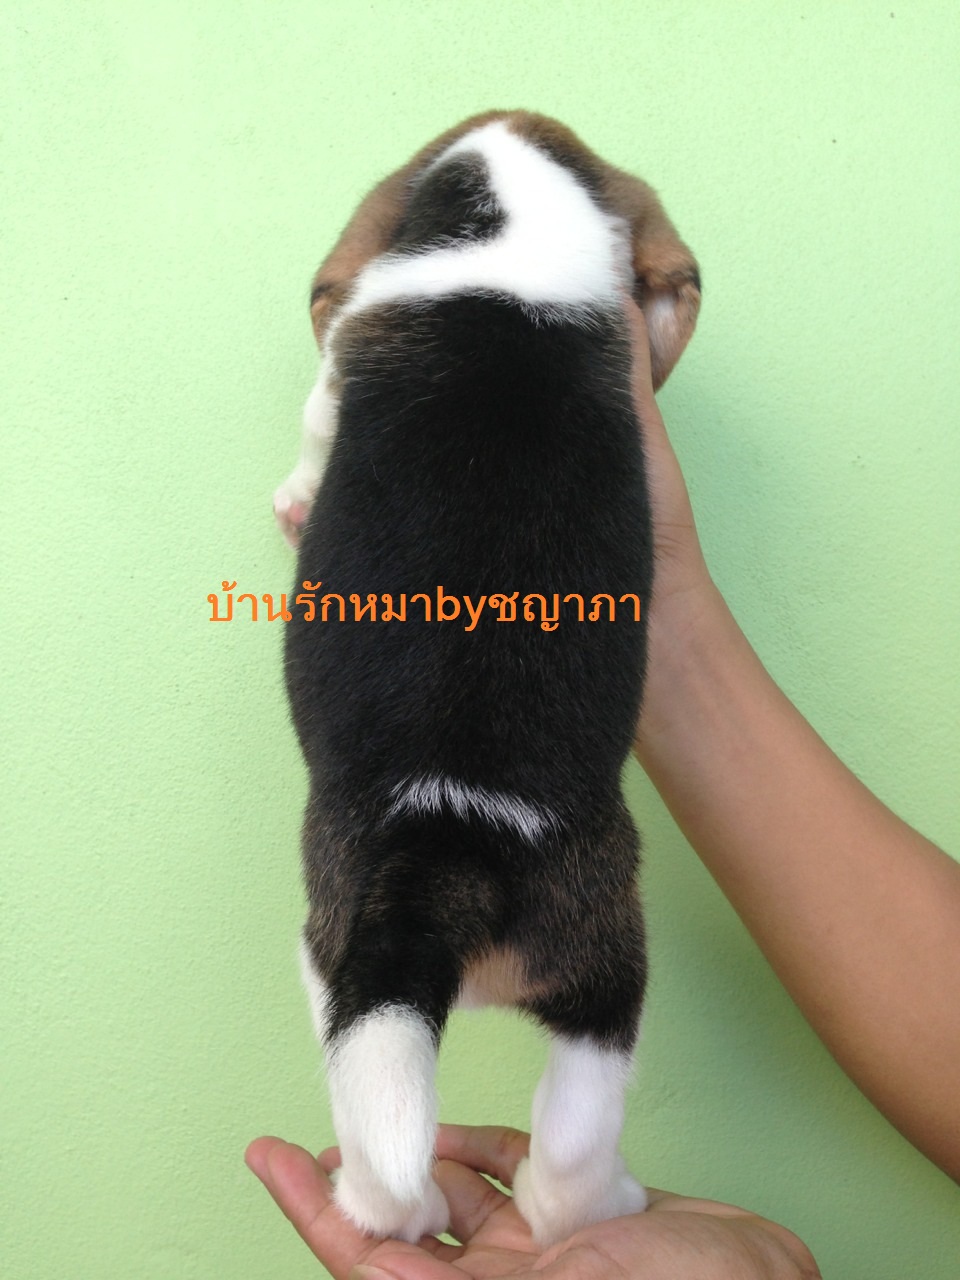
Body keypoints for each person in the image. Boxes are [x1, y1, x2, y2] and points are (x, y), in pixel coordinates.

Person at [245, 302, 960, 1277]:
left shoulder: (393, 359)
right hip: (548, 845)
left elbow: (346, 385)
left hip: (393, 829)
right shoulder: (567, 359)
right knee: (593, 996)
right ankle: (556, 1163)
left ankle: (383, 1168)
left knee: (366, 954)